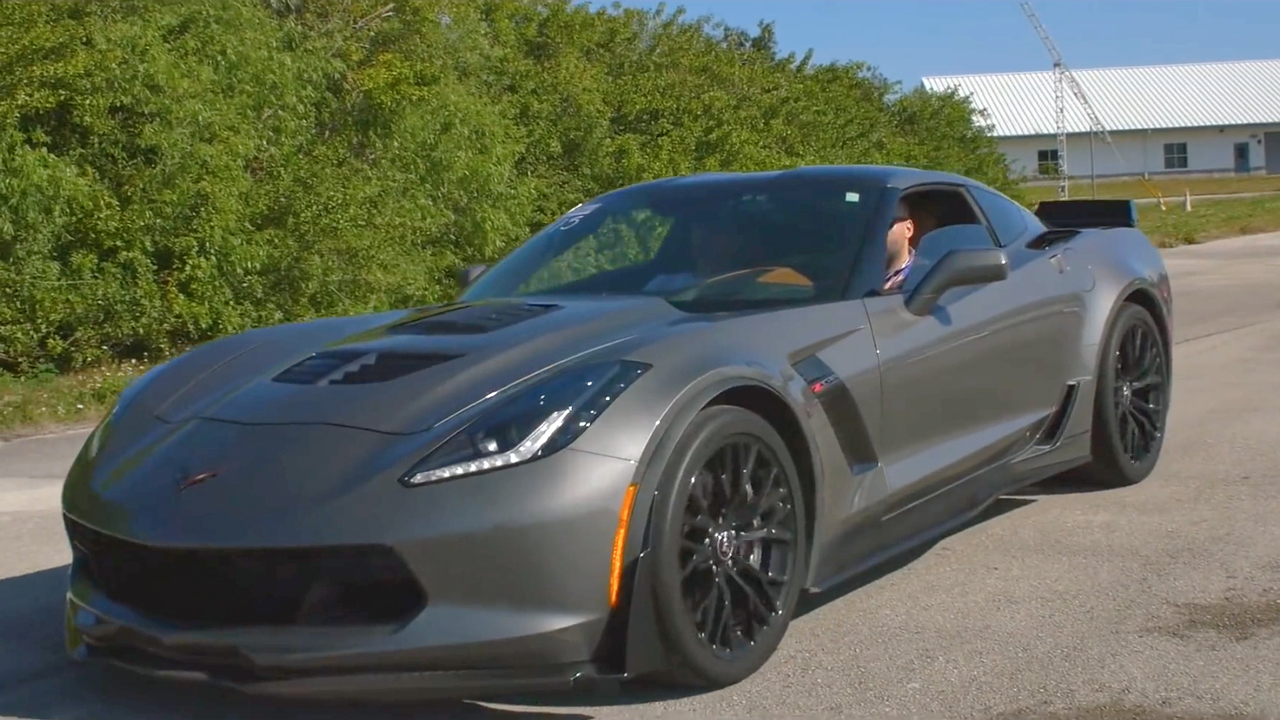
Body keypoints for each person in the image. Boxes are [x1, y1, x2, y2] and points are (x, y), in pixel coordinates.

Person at [883, 198, 917, 292]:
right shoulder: (853, 272)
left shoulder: (923, 276)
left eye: (886, 226)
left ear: (908, 229)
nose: (877, 233)